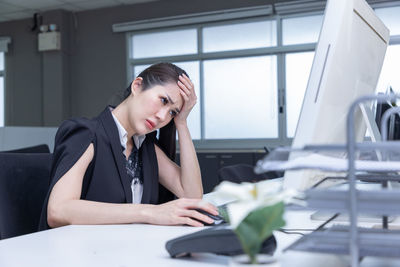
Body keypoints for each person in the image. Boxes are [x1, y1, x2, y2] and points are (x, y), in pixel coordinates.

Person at [38, 62, 218, 230]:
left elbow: (192, 196)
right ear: (137, 86)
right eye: (163, 100)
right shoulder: (87, 134)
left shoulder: (145, 146)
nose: (163, 116)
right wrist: (150, 213)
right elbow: (58, 211)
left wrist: (182, 123)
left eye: (172, 112)